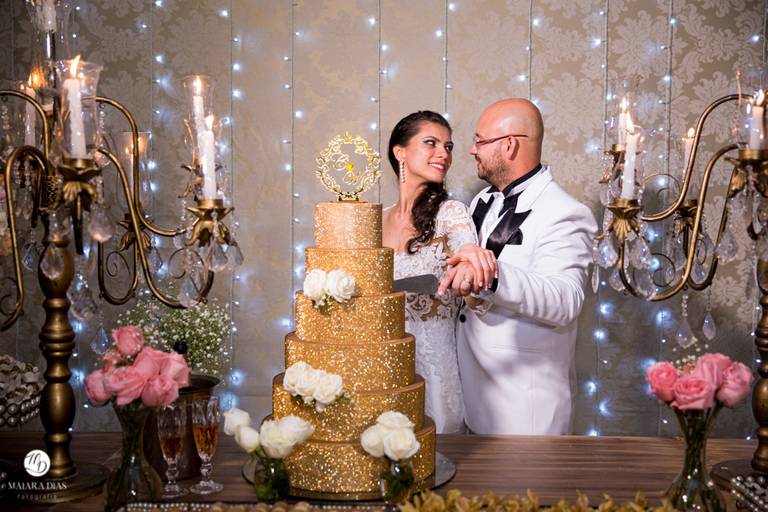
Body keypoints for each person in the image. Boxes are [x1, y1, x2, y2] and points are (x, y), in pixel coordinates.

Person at [438, 99, 597, 435]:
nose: (472, 150)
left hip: (526, 413)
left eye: (480, 141)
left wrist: (490, 275)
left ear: (509, 145)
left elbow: (566, 300)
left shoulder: (565, 212)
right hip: (471, 403)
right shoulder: (482, 201)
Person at [383, 111, 496, 434]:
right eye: (431, 143)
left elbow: (468, 257)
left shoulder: (450, 213)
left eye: (448, 147)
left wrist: (471, 257)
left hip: (433, 368)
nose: (443, 154)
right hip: (382, 363)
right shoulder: (377, 218)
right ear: (400, 151)